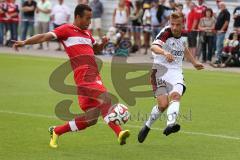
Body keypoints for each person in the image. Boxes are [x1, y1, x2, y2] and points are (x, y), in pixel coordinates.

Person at [12, 4, 130, 148]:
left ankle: (56, 131)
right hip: (85, 79)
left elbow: (96, 49)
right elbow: (44, 36)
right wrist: (25, 42)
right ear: (78, 17)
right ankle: (119, 133)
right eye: (87, 19)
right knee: (106, 99)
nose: (89, 22)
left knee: (91, 119)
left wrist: (104, 42)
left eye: (91, 19)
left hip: (94, 77)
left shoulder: (87, 34)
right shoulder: (66, 30)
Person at [138, 12, 204, 143]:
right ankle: (147, 126)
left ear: (183, 24)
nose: (174, 27)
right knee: (163, 105)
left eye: (177, 24)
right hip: (160, 71)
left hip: (176, 72)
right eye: (172, 24)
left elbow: (183, 48)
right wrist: (164, 52)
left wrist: (194, 62)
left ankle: (170, 124)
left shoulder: (182, 33)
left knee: (175, 96)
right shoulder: (166, 33)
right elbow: (153, 46)